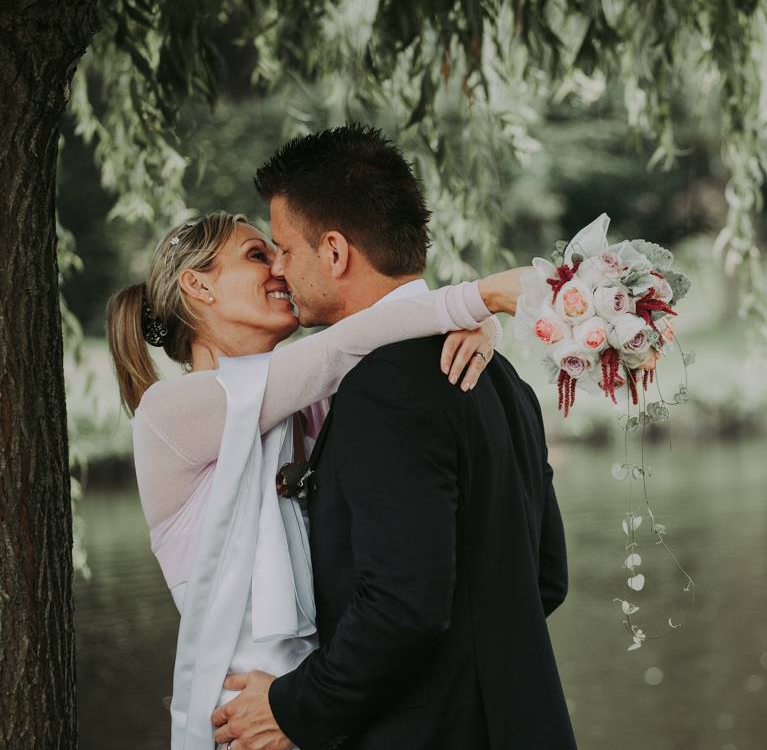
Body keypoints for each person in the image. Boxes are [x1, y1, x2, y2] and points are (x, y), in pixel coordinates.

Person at [107, 204, 528, 749]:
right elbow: (340, 347)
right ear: (198, 285)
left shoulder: (310, 406)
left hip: (325, 709)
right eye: (257, 255)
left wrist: (477, 327)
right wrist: (481, 299)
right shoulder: (169, 413)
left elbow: (376, 343)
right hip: (245, 723)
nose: (280, 269)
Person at [211, 124, 576, 749]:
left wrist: (294, 707)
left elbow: (403, 607)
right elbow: (546, 577)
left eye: (284, 249)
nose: (279, 269)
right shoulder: (500, 377)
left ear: (333, 252)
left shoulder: (383, 386)